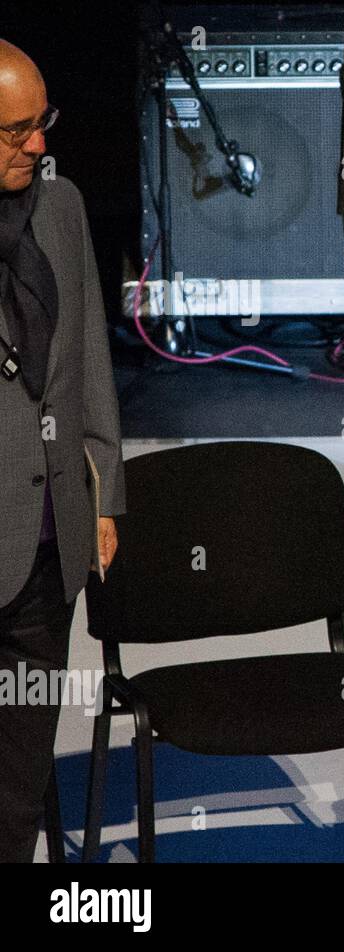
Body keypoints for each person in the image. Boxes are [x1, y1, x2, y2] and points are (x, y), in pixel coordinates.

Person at [0, 38, 124, 862]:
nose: (37, 143)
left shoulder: (62, 205)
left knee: (18, 777)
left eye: (40, 122)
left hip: (46, 540)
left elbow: (87, 361)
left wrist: (103, 493)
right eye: (14, 131)